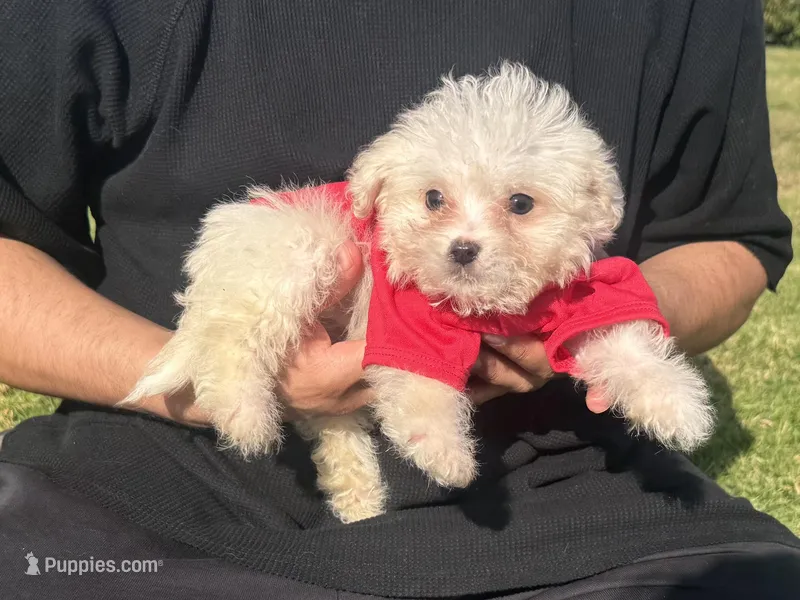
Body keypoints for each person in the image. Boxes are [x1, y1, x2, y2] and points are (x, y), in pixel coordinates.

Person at [0, 0, 798, 598]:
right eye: (439, 203)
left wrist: (616, 340)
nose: (468, 237)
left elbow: (730, 236)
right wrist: (210, 386)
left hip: (583, 494)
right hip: (151, 481)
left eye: (520, 205)